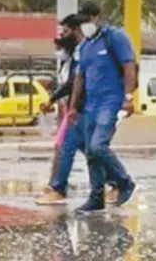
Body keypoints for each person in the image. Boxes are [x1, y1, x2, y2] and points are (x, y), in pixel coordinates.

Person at [36, 13, 119, 205]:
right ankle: (116, 182)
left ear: (76, 31)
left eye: (66, 31)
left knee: (66, 146)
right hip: (81, 107)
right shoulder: (79, 52)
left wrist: (55, 99)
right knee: (88, 150)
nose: (62, 36)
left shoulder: (87, 50)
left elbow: (75, 82)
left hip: (87, 107)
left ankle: (58, 188)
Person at [68, 1, 138, 213]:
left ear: (98, 17)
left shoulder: (115, 37)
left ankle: (123, 181)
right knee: (91, 153)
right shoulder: (86, 46)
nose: (85, 25)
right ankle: (96, 196)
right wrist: (72, 106)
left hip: (111, 102)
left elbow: (129, 66)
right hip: (91, 104)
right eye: (82, 22)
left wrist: (128, 97)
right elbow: (79, 78)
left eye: (88, 20)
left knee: (99, 146)